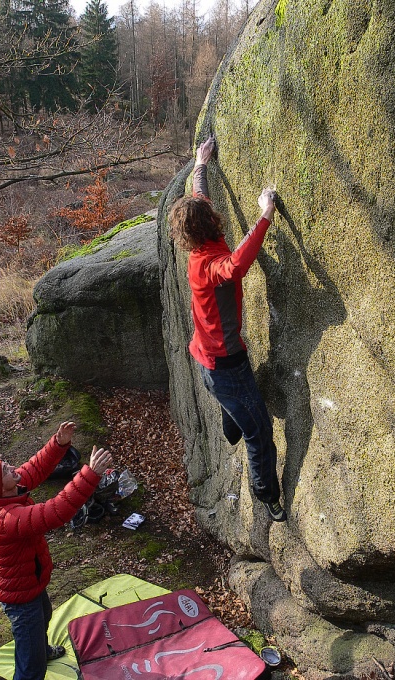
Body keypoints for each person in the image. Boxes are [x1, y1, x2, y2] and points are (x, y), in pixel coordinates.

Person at [169, 134, 286, 522]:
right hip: (225, 365)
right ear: (210, 225)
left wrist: (200, 162)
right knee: (260, 433)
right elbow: (236, 266)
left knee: (235, 410)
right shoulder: (208, 266)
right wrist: (265, 213)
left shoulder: (203, 239)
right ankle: (267, 494)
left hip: (208, 360)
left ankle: (231, 424)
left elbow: (198, 193)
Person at [0, 421, 113, 680]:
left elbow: (35, 468)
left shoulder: (9, 489)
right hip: (20, 596)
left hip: (31, 581)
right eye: (4, 470)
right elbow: (54, 512)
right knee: (31, 667)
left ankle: (40, 649)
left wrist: (58, 444)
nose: (10, 466)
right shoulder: (5, 518)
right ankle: (34, 659)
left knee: (44, 616)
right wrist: (90, 474)